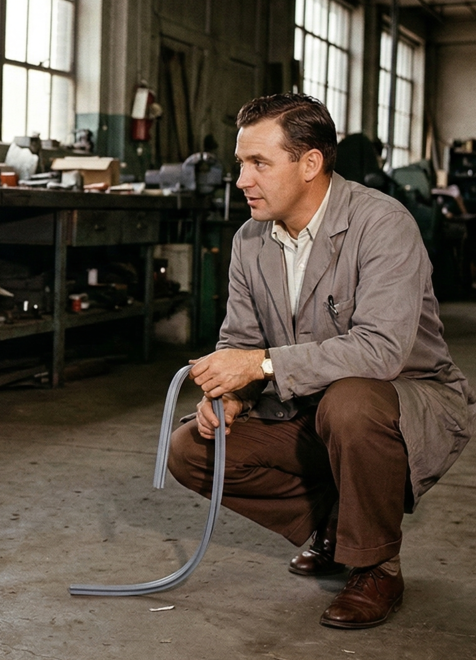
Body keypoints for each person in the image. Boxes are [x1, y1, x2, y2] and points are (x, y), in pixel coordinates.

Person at [168, 93, 473, 629]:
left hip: (401, 399)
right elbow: (239, 338)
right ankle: (337, 523)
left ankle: (376, 564)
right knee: (192, 450)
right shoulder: (249, 240)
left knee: (350, 403)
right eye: (242, 163)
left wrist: (260, 366)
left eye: (259, 163)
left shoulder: (382, 224)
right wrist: (230, 395)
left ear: (310, 163)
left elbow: (380, 351)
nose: (242, 180)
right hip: (308, 408)